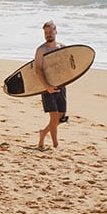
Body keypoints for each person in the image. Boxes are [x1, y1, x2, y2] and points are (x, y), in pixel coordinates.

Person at [34, 19, 66, 149]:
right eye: (46, 32)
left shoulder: (62, 47)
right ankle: (55, 144)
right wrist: (46, 87)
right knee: (53, 118)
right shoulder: (41, 50)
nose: (48, 34)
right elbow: (37, 69)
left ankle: (43, 133)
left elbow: (68, 67)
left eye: (50, 32)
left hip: (60, 86)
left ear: (55, 32)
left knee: (61, 117)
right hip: (46, 87)